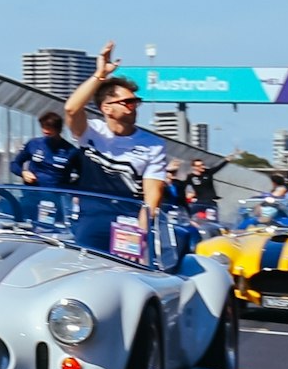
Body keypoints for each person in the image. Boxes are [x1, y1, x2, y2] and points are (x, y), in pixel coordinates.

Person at [63, 41, 172, 251]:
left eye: (135, 102)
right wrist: (100, 75)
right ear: (107, 108)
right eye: (127, 103)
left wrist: (141, 237)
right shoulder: (91, 132)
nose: (134, 107)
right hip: (89, 220)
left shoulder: (154, 145)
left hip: (128, 223)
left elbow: (152, 196)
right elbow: (71, 109)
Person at [11, 110, 80, 188]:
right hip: (32, 193)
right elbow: (14, 164)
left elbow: (83, 175)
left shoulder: (71, 151)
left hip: (58, 196)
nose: (45, 130)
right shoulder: (33, 143)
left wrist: (72, 189)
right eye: (43, 126)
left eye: (49, 128)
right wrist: (23, 173)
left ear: (59, 129)